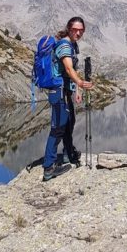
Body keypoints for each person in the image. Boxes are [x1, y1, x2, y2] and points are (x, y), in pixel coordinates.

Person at [42, 16, 93, 181]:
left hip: (66, 91)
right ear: (69, 29)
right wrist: (80, 82)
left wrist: (76, 89)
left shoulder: (73, 44)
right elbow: (69, 69)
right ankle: (49, 168)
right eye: (75, 30)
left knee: (69, 121)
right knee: (58, 128)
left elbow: (74, 69)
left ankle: (67, 154)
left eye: (81, 30)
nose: (78, 33)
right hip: (58, 92)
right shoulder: (64, 44)